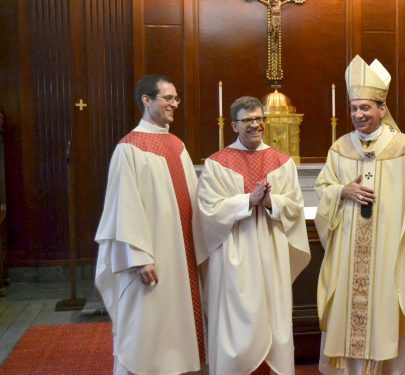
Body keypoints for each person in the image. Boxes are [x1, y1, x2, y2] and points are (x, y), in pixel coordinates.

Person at [315, 55, 405, 375]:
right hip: (348, 255)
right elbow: (324, 188)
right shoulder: (339, 148)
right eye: (354, 108)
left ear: (382, 110)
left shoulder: (404, 146)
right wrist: (342, 191)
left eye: (366, 107)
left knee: (385, 317)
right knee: (346, 316)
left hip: (387, 257)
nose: (358, 114)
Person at [95, 74, 205, 374]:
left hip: (183, 253)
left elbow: (195, 199)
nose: (174, 104)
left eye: (176, 98)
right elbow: (123, 208)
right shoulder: (128, 148)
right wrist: (138, 257)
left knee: (177, 323)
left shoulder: (176, 144)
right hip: (151, 255)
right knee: (147, 326)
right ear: (147, 100)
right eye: (168, 98)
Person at [195, 96, 310, 375]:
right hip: (234, 252)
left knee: (274, 315)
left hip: (271, 250)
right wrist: (248, 200)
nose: (256, 125)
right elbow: (207, 212)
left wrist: (271, 202)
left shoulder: (282, 162)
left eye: (260, 119)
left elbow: (295, 206)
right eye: (248, 120)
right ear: (234, 125)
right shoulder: (216, 163)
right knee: (236, 319)